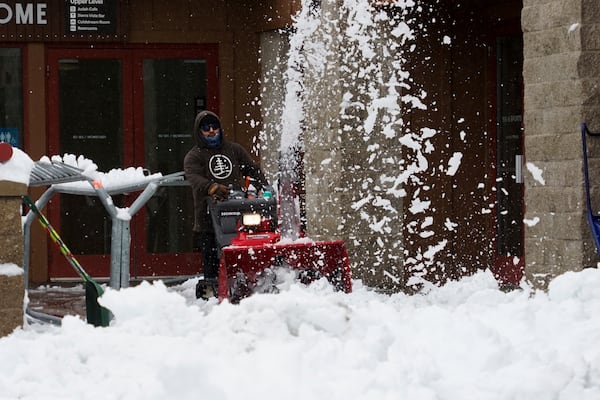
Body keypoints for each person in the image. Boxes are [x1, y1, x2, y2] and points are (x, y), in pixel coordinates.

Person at [184, 110, 269, 299]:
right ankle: (213, 287)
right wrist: (211, 187)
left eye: (214, 127)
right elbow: (194, 177)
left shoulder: (234, 149)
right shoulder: (194, 156)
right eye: (206, 128)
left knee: (243, 245)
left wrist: (263, 186)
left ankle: (248, 280)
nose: (212, 131)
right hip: (209, 215)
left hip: (238, 210)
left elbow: (252, 169)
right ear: (199, 131)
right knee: (211, 253)